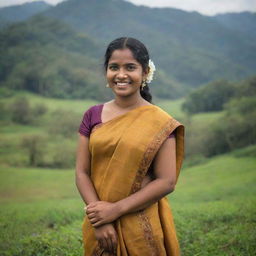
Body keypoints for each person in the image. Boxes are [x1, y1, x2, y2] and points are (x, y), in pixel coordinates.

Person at [76, 37, 184, 256]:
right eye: (114, 67)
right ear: (106, 72)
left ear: (145, 73)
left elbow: (167, 181)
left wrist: (114, 211)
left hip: (141, 225)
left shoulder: (160, 122)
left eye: (130, 67)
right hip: (99, 225)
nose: (121, 75)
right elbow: (82, 172)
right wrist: (99, 220)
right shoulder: (92, 115)